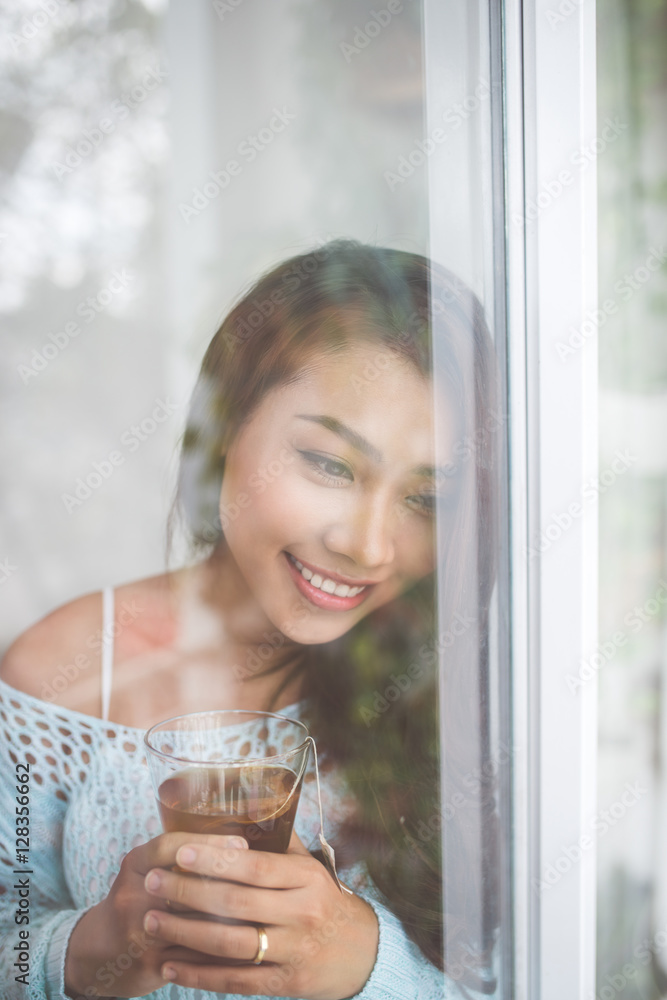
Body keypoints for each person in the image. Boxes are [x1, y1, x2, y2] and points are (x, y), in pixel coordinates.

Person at [0, 240, 499, 1000]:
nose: (366, 545)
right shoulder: (61, 677)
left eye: (425, 500)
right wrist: (97, 946)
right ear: (223, 425)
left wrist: (364, 964)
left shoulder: (466, 685)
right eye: (330, 464)